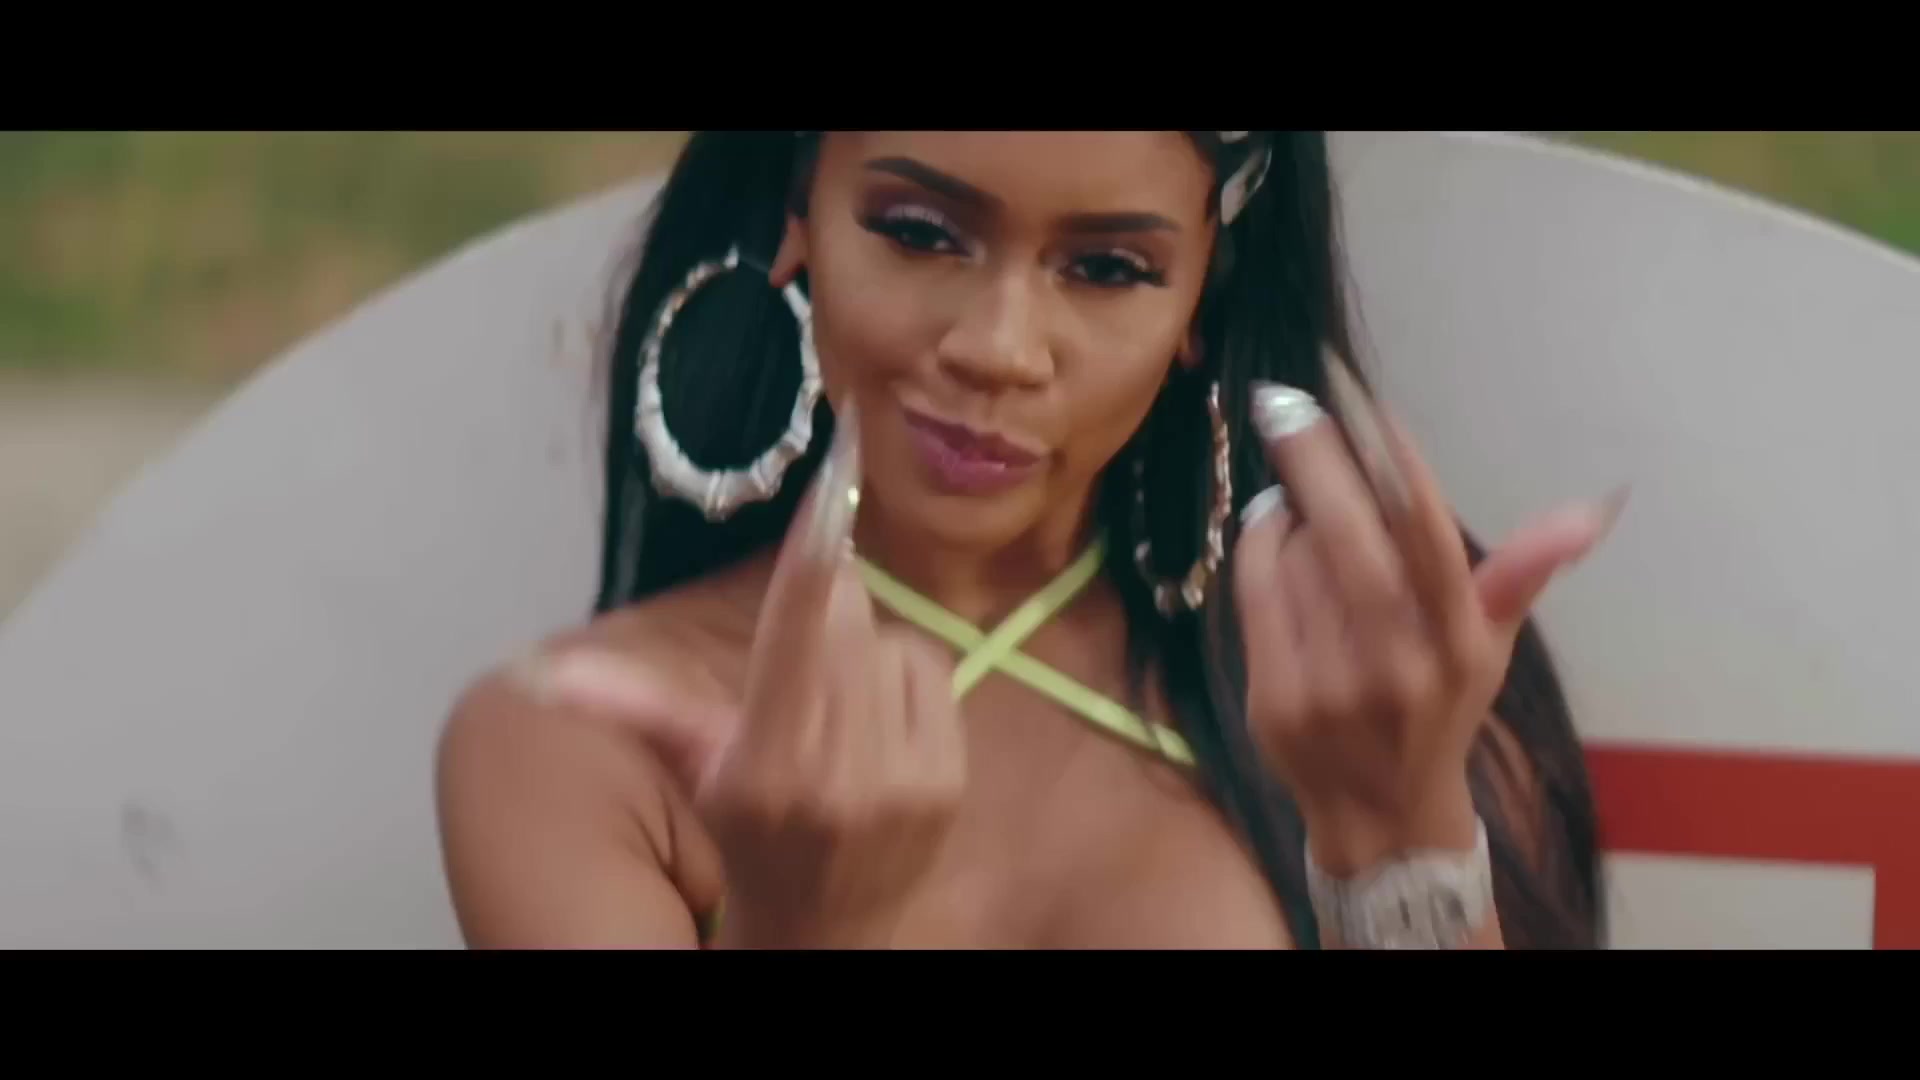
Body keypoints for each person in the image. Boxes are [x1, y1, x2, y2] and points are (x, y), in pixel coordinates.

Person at [434, 131, 1620, 949]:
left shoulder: (1371, 680)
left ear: (1203, 294)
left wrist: (1399, 846)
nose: (1000, 347)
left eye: (1107, 267)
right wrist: (796, 928)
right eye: (920, 232)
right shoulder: (579, 745)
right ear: (802, 207)